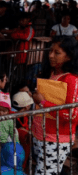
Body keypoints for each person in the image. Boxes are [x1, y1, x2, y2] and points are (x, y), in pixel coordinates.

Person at [32, 36, 78, 175]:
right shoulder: (52, 73)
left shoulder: (71, 79)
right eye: (50, 51)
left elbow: (72, 115)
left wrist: (42, 102)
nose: (51, 55)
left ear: (69, 56)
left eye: (57, 53)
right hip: (40, 135)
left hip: (55, 140)